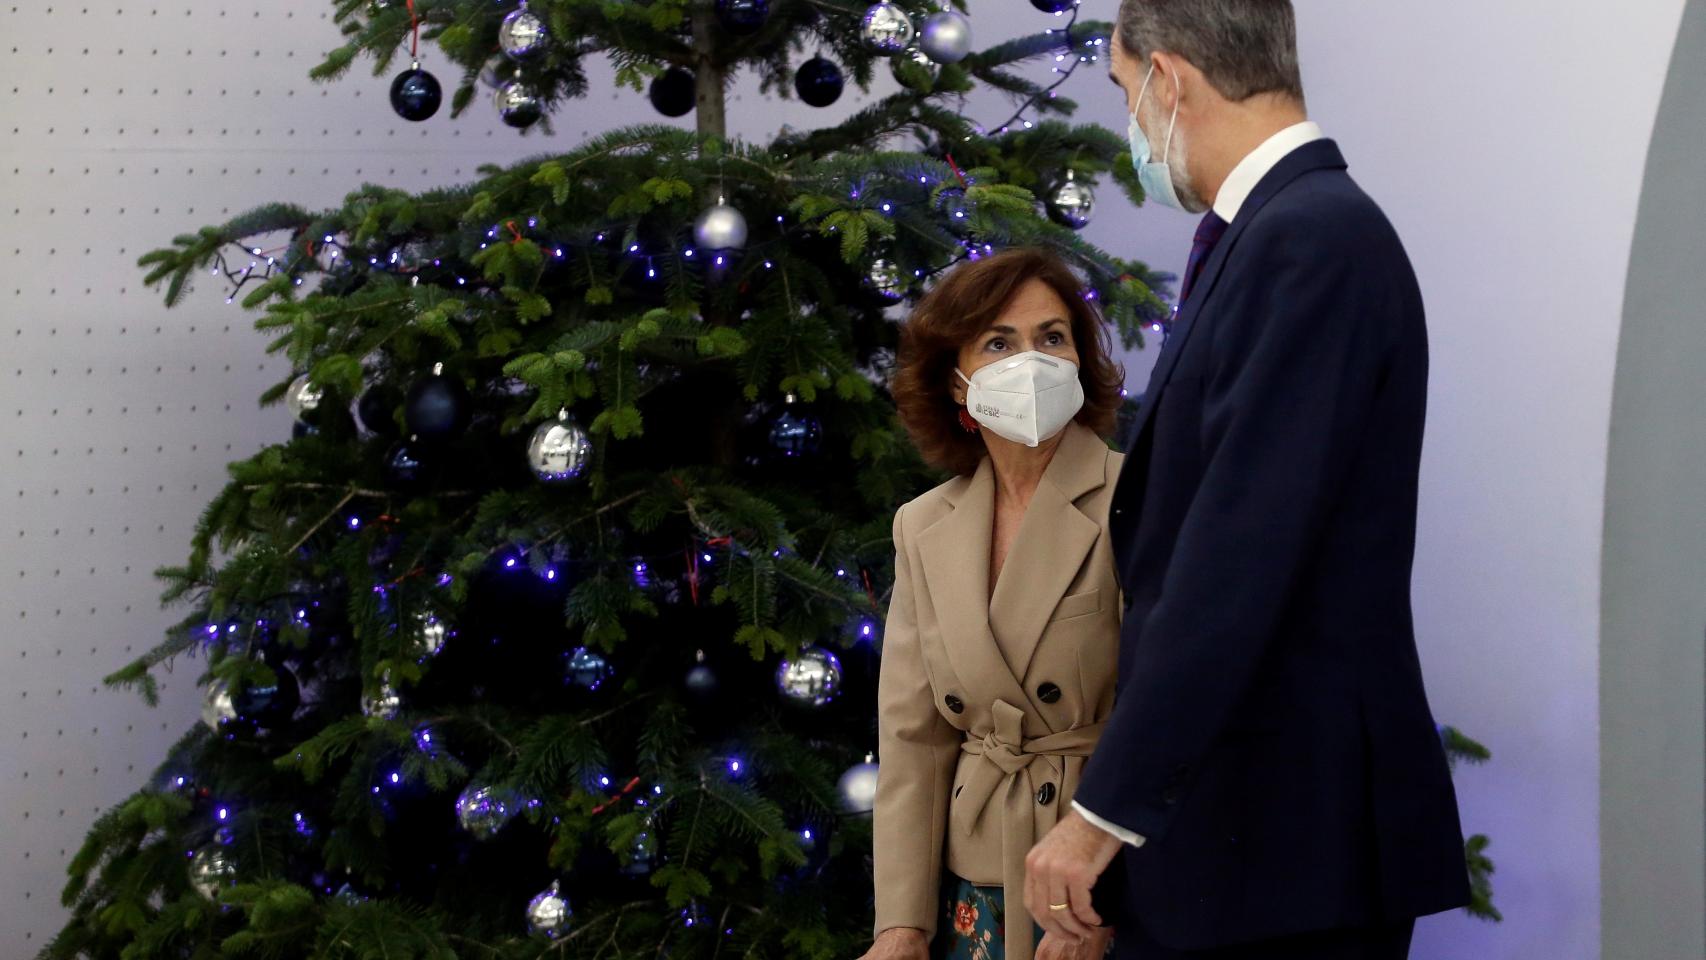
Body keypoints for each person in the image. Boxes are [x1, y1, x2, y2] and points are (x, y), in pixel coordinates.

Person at [1020, 2, 1471, 959]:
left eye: (1122, 91)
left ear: (1168, 80)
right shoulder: (1283, 231)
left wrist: (1101, 812)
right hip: (1251, 840)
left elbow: (1238, 553)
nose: (1131, 125)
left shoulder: (1311, 240)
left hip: (1284, 842)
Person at [862, 247, 1129, 960]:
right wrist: (901, 925)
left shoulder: (1137, 501)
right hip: (971, 888)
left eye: (1052, 338)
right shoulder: (922, 526)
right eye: (999, 343)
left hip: (1098, 873)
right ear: (957, 382)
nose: (1031, 361)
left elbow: (1170, 718)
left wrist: (1104, 906)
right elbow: (912, 741)